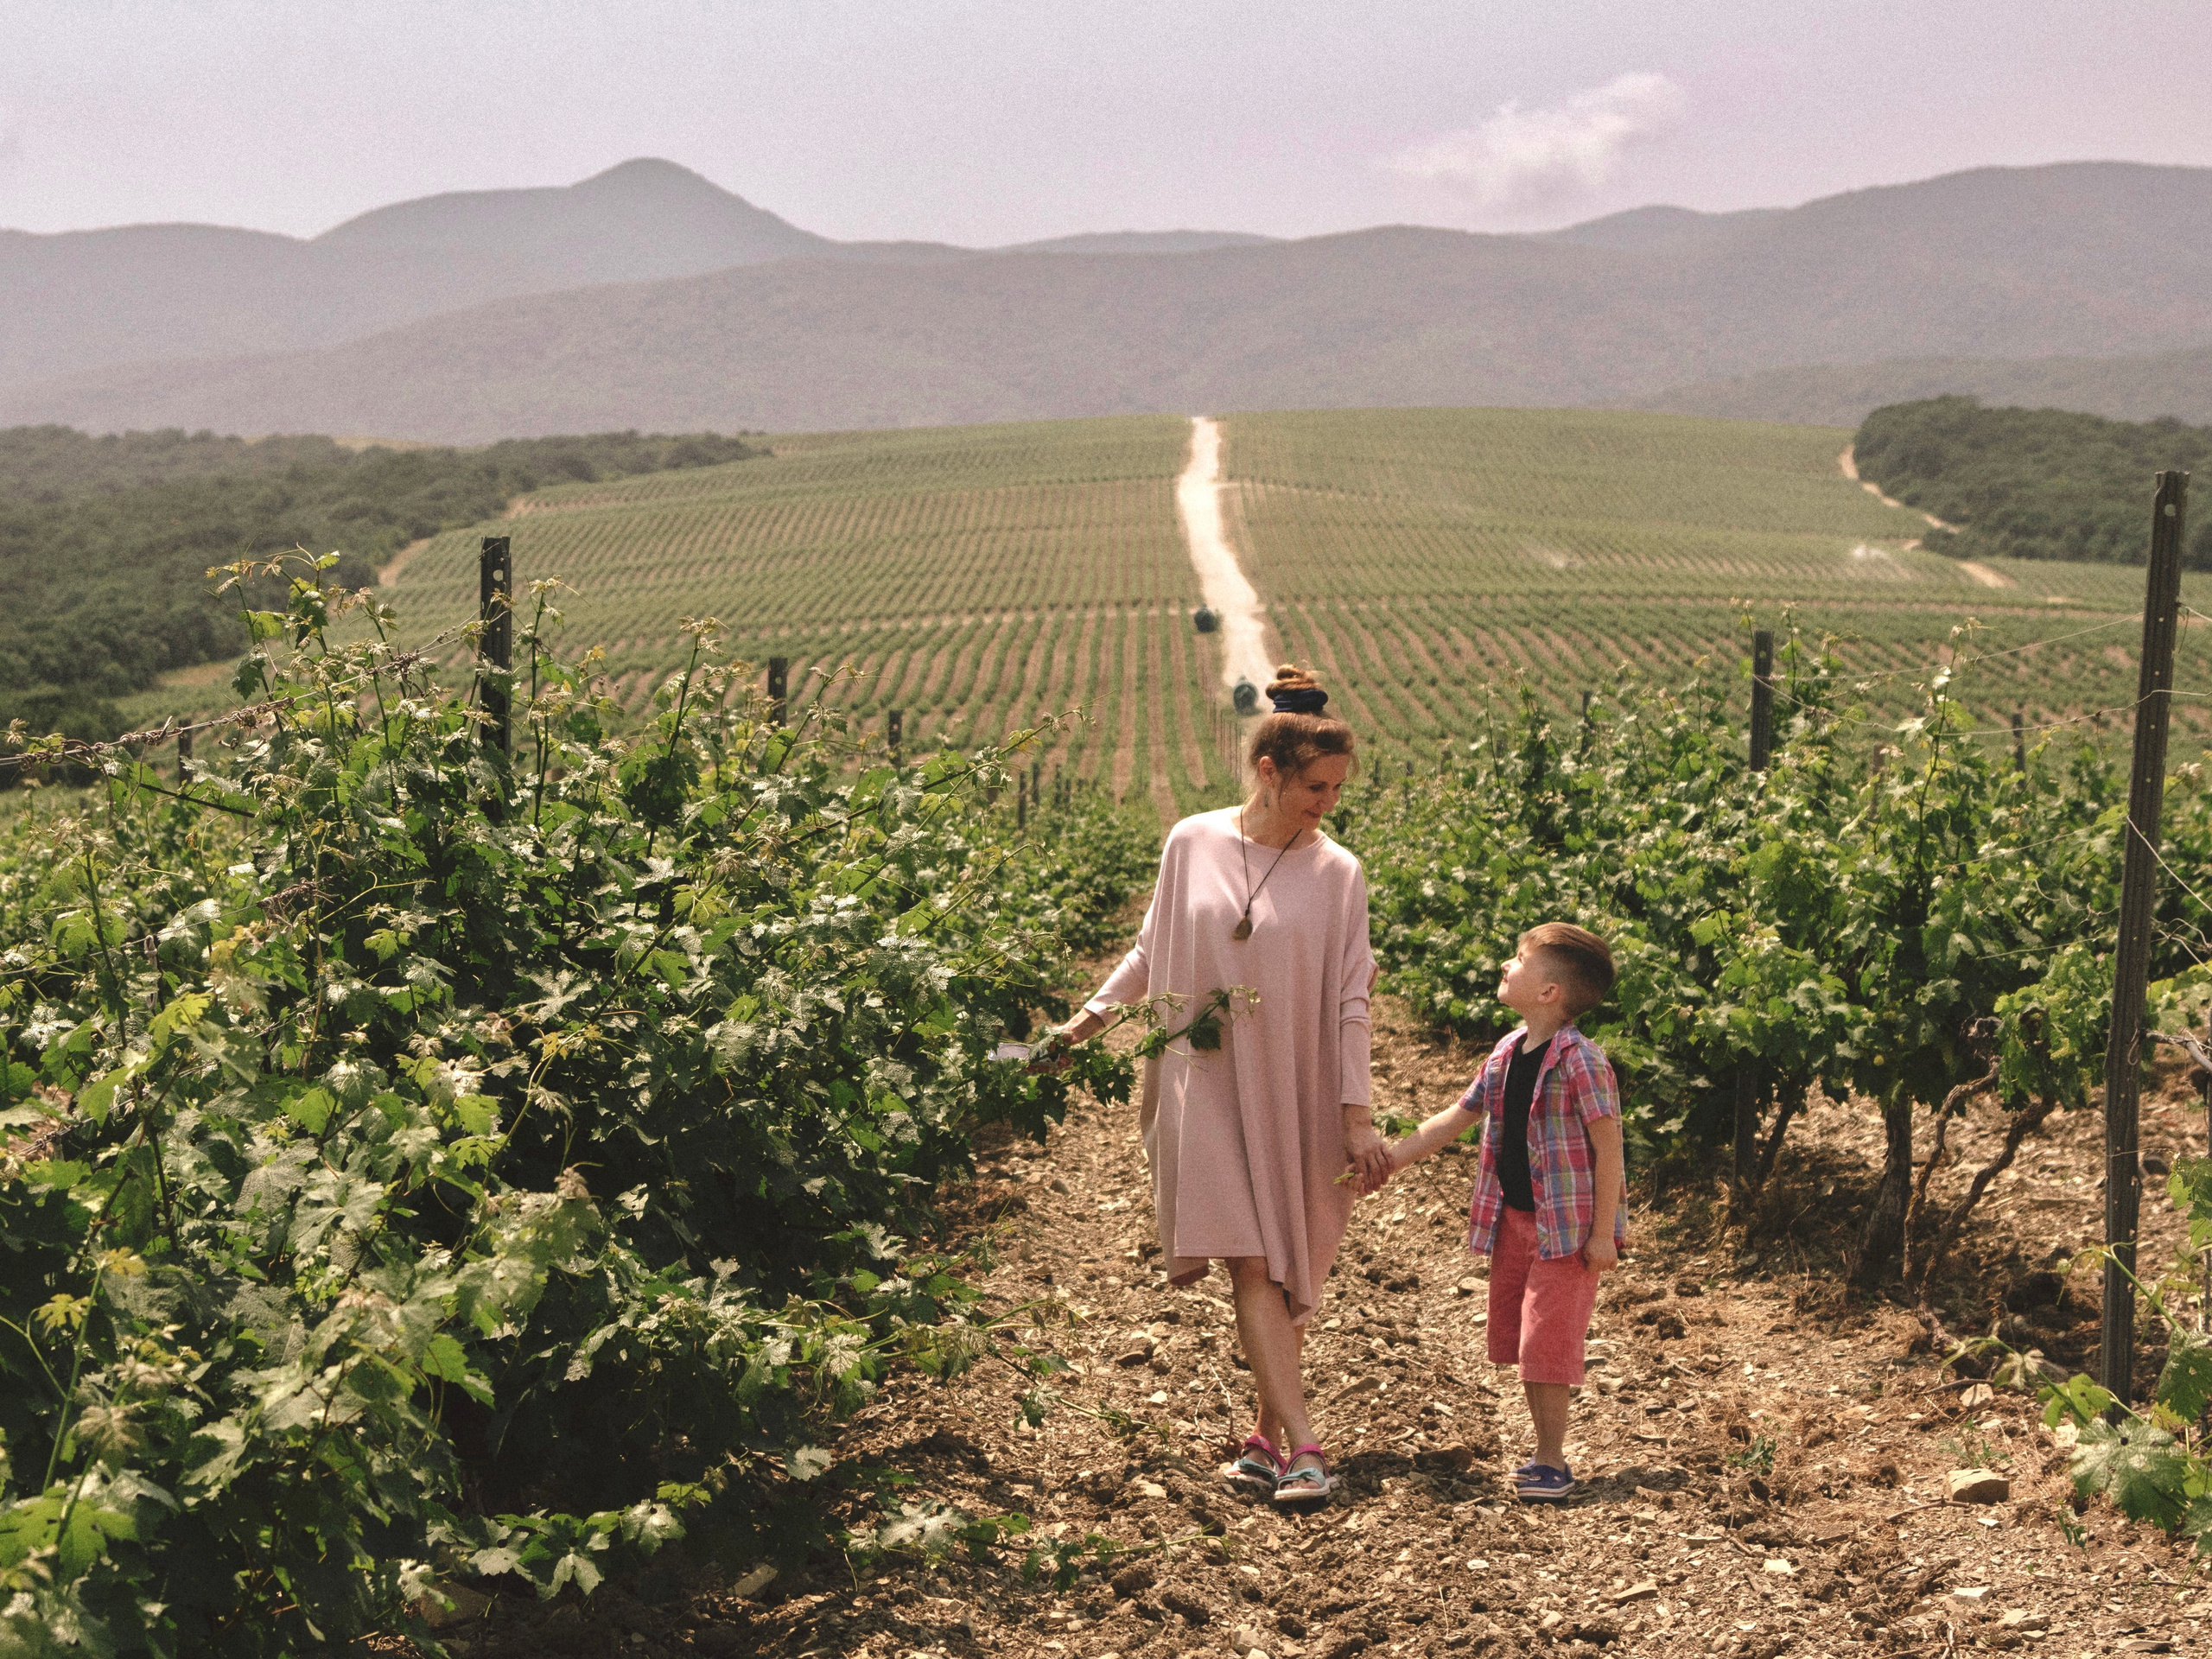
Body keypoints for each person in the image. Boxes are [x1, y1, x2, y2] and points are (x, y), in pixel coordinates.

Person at [1049, 665, 1390, 1510]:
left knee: (1280, 1269)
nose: (1328, 804)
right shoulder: (1191, 842)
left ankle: (1261, 1441)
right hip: (1200, 1079)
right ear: (1268, 771)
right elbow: (1146, 951)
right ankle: (1306, 1445)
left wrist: (1356, 1115)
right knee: (1247, 1256)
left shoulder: (1338, 873)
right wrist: (1078, 1029)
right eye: (1316, 787)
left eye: (1338, 788)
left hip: (1295, 1090)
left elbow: (1353, 998)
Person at [1386, 923, 1624, 1503]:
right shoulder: (1506, 1052)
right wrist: (1385, 1162)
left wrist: (1603, 1235)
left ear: (1550, 993)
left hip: (1567, 1230)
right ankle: (1543, 1454)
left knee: (1548, 1340)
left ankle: (1552, 1461)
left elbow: (1609, 1146)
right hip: (1516, 1220)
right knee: (1524, 1337)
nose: (1504, 965)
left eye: (1519, 959)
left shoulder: (1581, 1061)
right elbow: (1454, 1119)